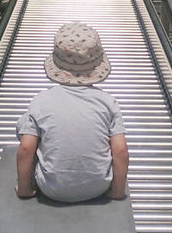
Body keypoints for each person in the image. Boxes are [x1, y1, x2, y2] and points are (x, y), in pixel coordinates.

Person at [16, 22, 129, 203]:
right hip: (98, 186)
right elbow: (120, 149)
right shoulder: (108, 102)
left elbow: (26, 148)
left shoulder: (41, 101)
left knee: (24, 126)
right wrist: (117, 191)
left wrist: (24, 189)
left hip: (51, 188)